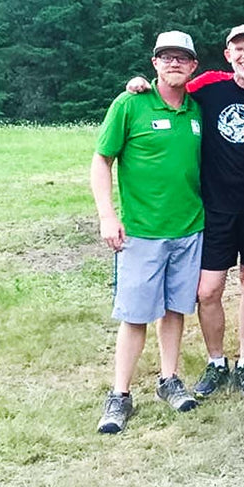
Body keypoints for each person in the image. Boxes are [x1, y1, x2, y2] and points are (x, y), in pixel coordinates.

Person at [126, 25, 244, 398]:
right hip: (214, 206)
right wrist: (139, 83)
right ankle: (216, 360)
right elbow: (169, 88)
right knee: (208, 290)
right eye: (239, 49)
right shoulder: (208, 86)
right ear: (228, 54)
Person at [92, 31, 204, 433]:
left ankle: (169, 379)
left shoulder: (196, 109)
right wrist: (108, 215)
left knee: (174, 309)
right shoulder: (130, 103)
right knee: (136, 315)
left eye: (182, 58)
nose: (174, 63)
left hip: (190, 229)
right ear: (154, 63)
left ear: (193, 66)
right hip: (141, 232)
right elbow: (101, 161)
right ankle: (119, 395)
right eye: (166, 57)